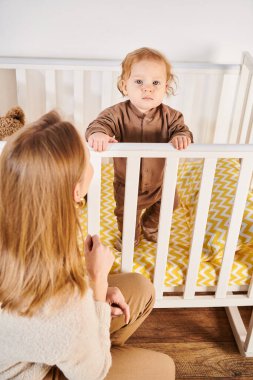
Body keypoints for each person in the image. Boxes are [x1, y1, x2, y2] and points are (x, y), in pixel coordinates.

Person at [0, 111, 175, 380]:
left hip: (42, 338)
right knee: (164, 368)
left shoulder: (26, 216)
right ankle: (91, 353)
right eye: (88, 158)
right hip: (30, 371)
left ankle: (88, 351)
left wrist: (94, 291)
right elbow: (91, 373)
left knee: (140, 289)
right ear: (74, 190)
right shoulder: (61, 302)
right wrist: (98, 281)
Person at [85, 47, 193, 250]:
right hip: (127, 184)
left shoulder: (172, 117)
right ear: (125, 86)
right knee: (126, 214)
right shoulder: (116, 114)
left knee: (170, 203)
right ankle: (131, 237)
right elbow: (98, 125)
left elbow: (183, 131)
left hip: (160, 182)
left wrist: (181, 137)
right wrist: (98, 135)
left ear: (165, 88)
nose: (147, 88)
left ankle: (150, 226)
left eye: (155, 82)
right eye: (139, 81)